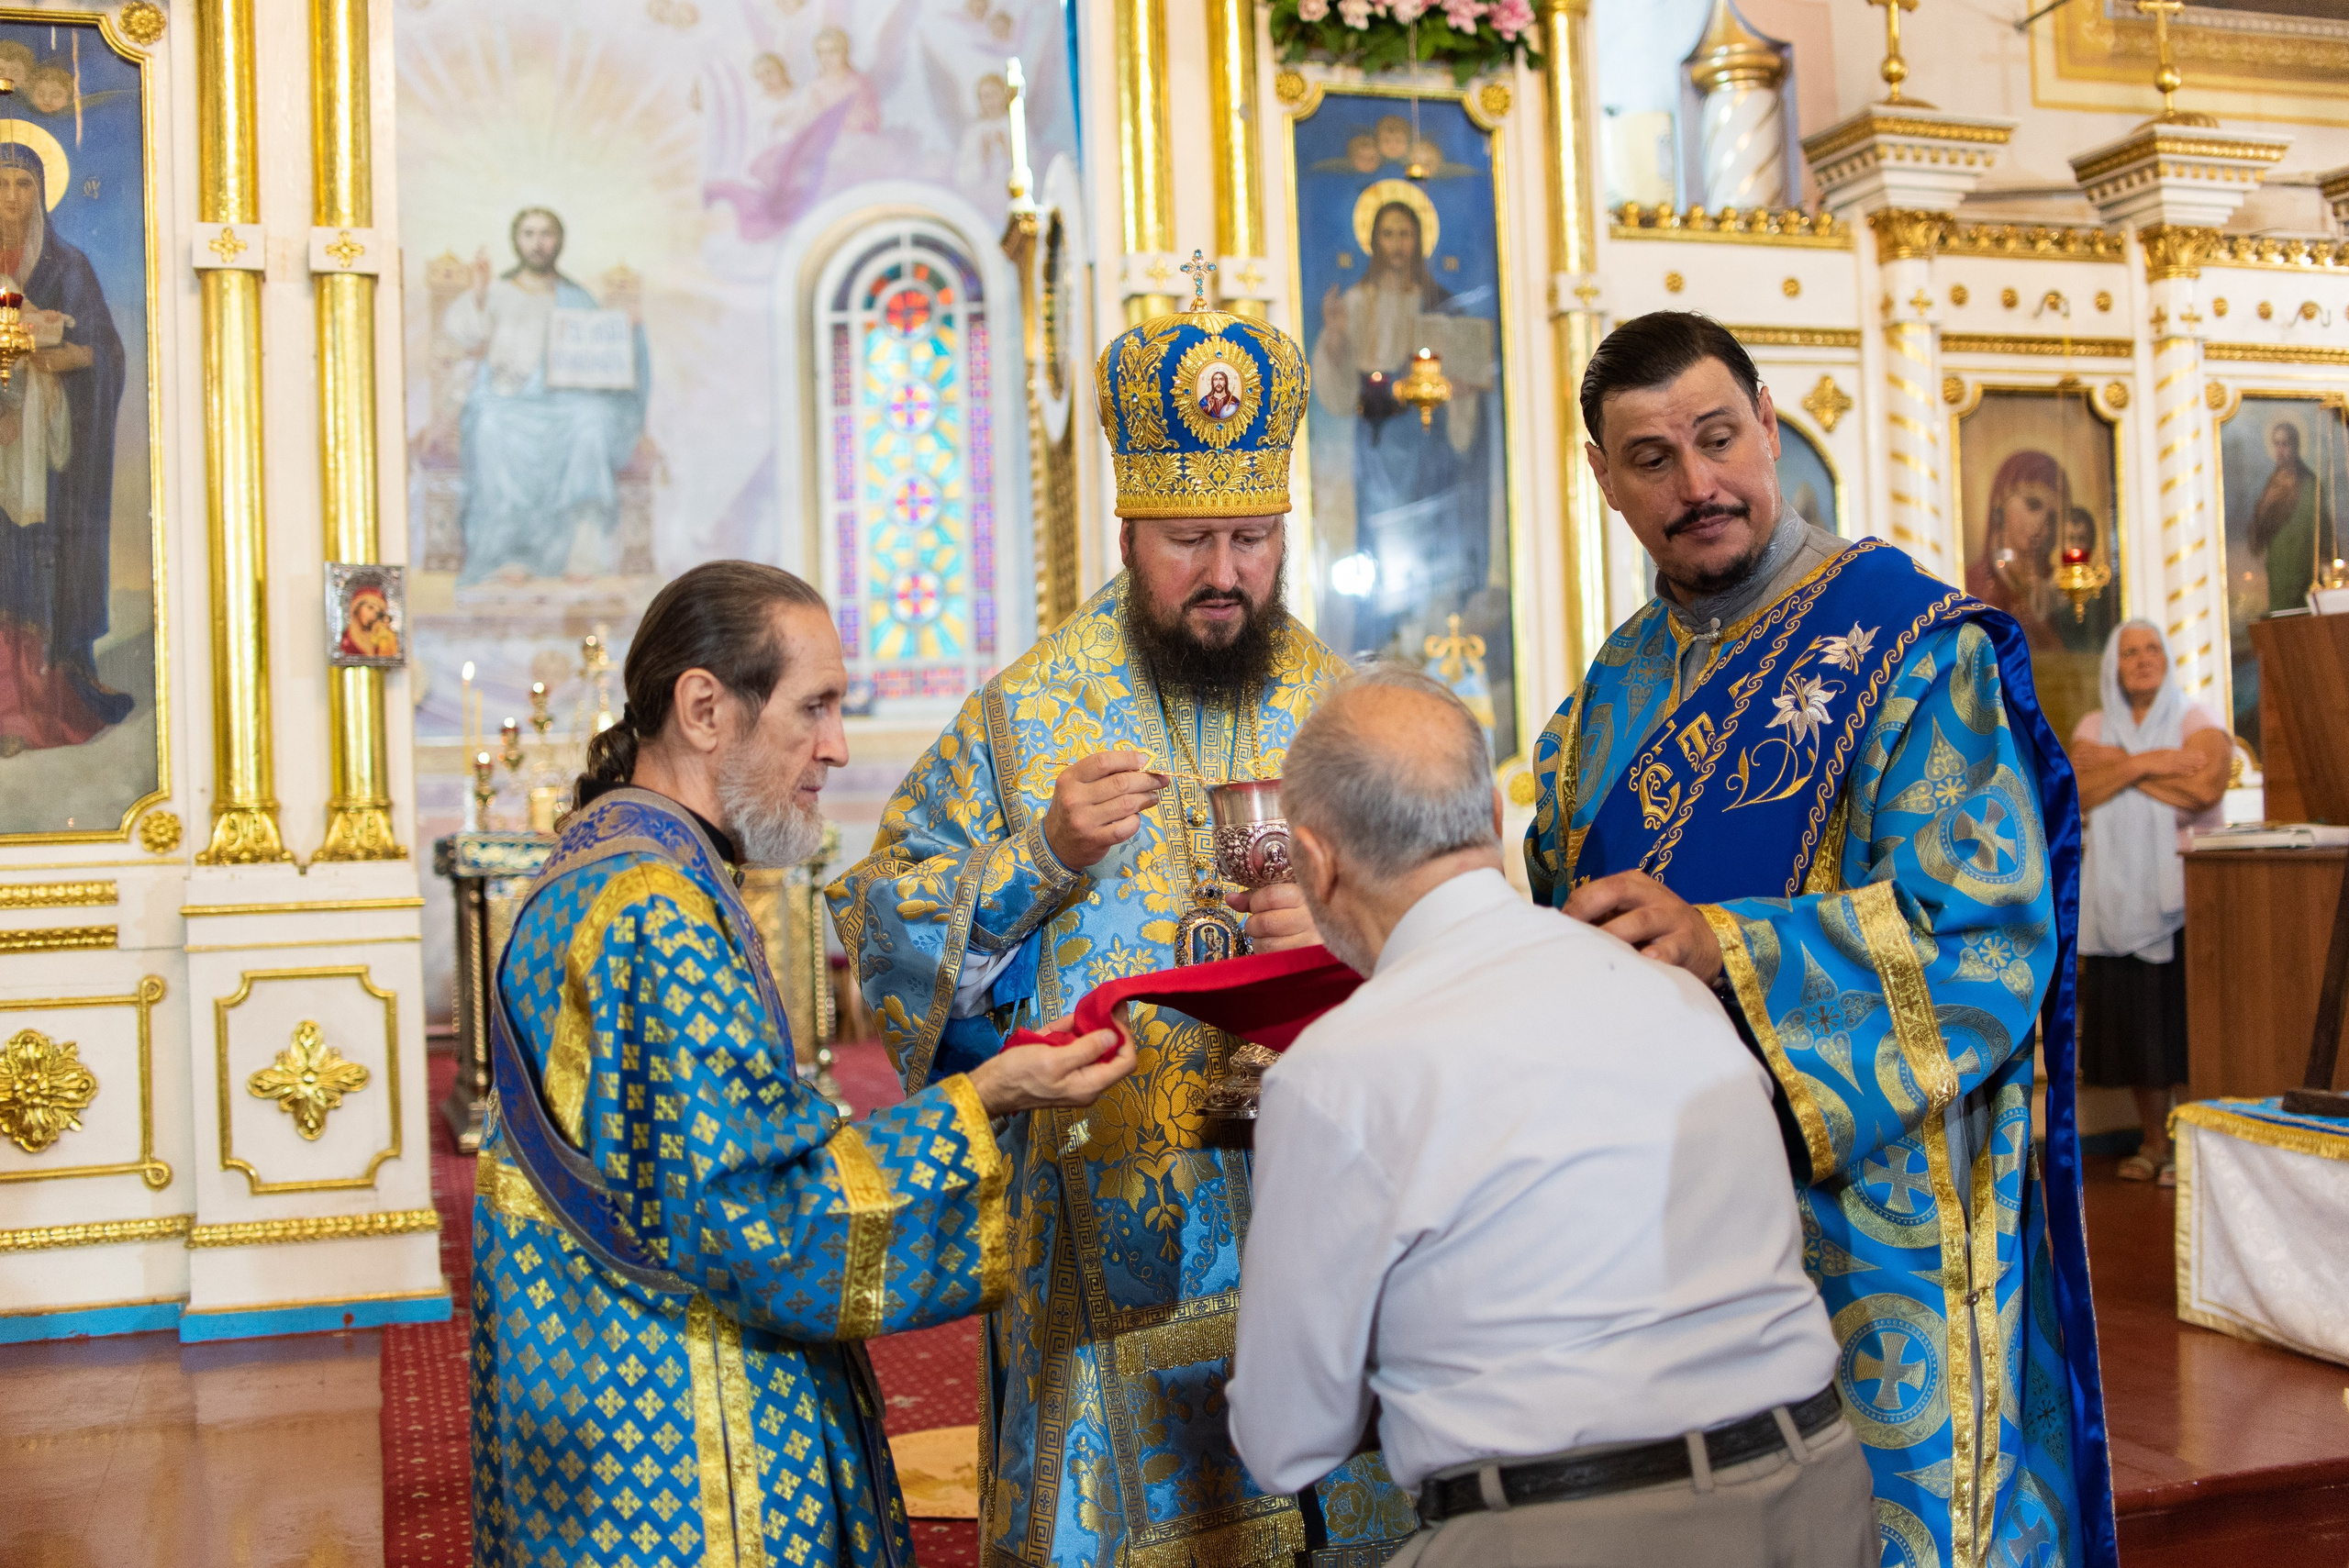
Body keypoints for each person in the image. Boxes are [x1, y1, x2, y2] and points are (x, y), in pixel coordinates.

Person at [829, 272, 1420, 1566]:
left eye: (1253, 540)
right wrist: (1034, 856)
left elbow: (1444, 934)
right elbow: (881, 922)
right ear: (1127, 528)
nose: (1225, 576)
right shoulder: (1022, 715)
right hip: (1101, 1224)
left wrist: (1341, 936)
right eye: (1186, 542)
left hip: (1309, 1204)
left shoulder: (1345, 710)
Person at [1525, 312, 2114, 1568]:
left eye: (1718, 439)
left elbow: (1990, 937)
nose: (1697, 486)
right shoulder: (1602, 701)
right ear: (1602, 478)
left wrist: (1726, 945)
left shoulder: (1912, 649)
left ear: (1770, 427)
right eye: (1650, 459)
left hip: (1872, 1223)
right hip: (1663, 1243)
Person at [472, 561, 1136, 1568]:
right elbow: (759, 1220)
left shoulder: (603, 863)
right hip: (682, 1449)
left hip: (588, 1390)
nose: (834, 745)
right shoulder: (658, 910)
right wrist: (984, 1098)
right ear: (704, 707)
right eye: (813, 706)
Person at [1227, 668, 1874, 1568]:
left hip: (1565, 1531)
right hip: (1820, 1494)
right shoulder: (1673, 992)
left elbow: (1283, 1437)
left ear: (1315, 858)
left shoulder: (1339, 1073)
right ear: (1494, 814)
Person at [2069, 621, 2231, 1184]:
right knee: (2139, 1030)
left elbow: (2206, 787)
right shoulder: (2094, 724)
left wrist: (2119, 770)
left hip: (2185, 899)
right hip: (2116, 899)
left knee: (2183, 1025)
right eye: (2130, 652)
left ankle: (2194, 1143)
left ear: (2167, 658)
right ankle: (2153, 1141)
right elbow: (2080, 793)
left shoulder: (2197, 719)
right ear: (2114, 665)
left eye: (2152, 649)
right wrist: (2149, 763)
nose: (2142, 660)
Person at [1310, 195, 1495, 661]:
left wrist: (1462, 390)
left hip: (1431, 444)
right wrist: (1334, 335)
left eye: (1405, 234)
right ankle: (1386, 644)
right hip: (1381, 443)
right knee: (1383, 537)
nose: (1397, 244)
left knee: (1434, 539)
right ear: (1374, 241)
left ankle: (1434, 639)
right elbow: (1335, 391)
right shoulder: (1353, 303)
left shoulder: (1444, 305)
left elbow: (1470, 371)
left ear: (1419, 241)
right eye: (1388, 234)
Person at [0, 135, 129, 755]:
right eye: (0, 185)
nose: (11, 197)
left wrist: (66, 358)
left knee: (35, 559)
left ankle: (40, 702)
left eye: (24, 184)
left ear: (42, 191)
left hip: (49, 459)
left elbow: (106, 352)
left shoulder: (68, 266)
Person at [441, 206, 647, 584]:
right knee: (489, 426)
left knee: (592, 423)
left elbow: (602, 356)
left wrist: (627, 329)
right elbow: (464, 333)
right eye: (529, 234)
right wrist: (480, 292)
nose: (538, 243)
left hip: (564, 403)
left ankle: (581, 555)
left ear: (559, 242)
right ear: (516, 241)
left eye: (546, 234)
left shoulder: (576, 297)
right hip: (508, 399)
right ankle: (508, 554)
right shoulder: (498, 292)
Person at [1965, 448, 2070, 651]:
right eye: (2033, 505)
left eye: (2052, 517)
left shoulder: (2055, 589)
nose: (2041, 525)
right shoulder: (1973, 582)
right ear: (2001, 501)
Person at [2250, 416, 2332, 612]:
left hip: (2305, 572)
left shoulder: (2311, 484)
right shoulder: (2270, 486)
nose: (2280, 450)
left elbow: (2325, 531)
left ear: (2296, 446)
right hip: (2279, 573)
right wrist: (2267, 503)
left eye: (2285, 444)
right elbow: (2257, 534)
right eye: (2276, 444)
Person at [336, 583, 399, 661]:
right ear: (356, 608)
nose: (373, 615)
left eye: (378, 612)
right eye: (370, 608)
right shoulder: (345, 640)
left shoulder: (383, 638)